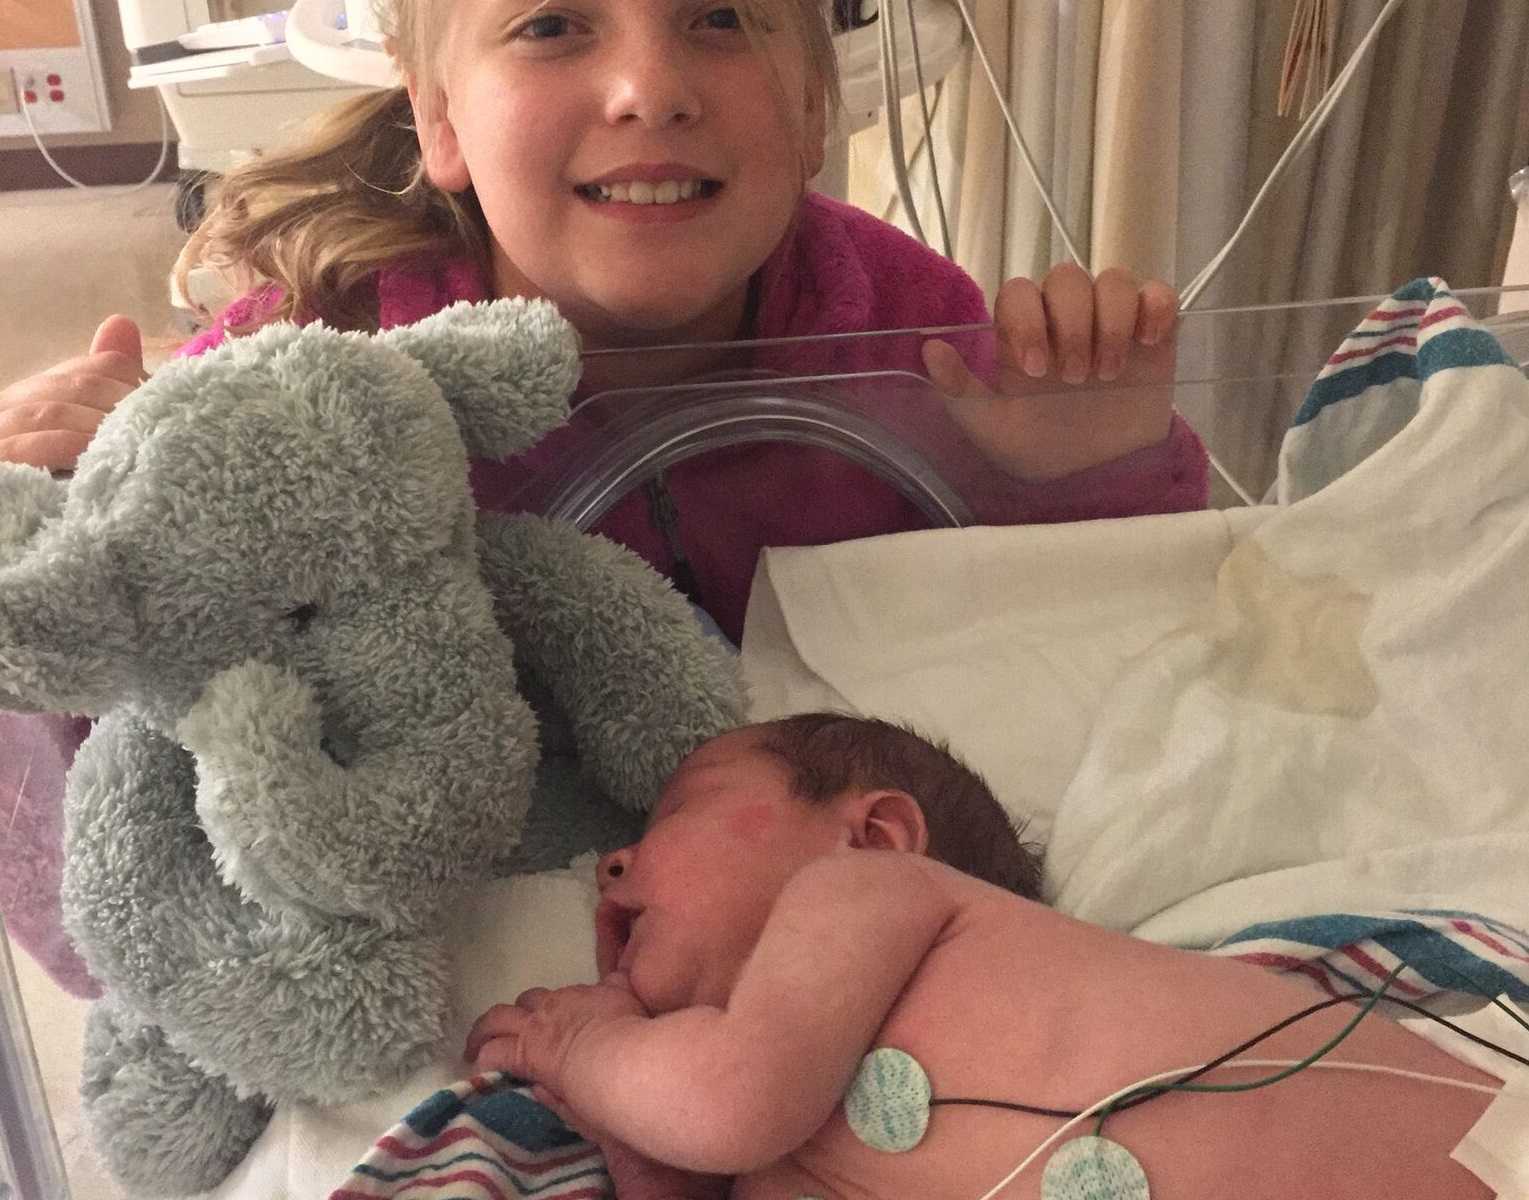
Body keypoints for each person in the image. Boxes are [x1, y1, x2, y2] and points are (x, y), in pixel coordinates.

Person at [0, 0, 1204, 645]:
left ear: (811, 102)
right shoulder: (319, 363)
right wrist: (77, 503)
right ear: (442, 125)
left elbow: (1073, 661)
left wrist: (1082, 481)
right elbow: (128, 710)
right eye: (552, 24)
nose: (650, 88)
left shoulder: (904, 329)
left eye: (721, 16)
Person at [464, 713, 1504, 1200]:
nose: (610, 864)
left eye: (678, 809)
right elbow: (722, 1115)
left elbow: (734, 1093)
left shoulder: (867, 896)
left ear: (871, 832)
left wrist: (588, 1048)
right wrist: (658, 1170)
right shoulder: (771, 1166)